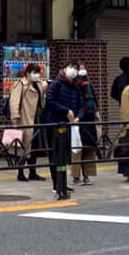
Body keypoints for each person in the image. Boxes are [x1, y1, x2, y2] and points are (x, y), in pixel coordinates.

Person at [44, 64, 82, 199]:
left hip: (68, 124)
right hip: (54, 123)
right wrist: (66, 111)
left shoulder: (76, 86)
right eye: (71, 67)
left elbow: (80, 104)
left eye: (75, 68)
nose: (73, 70)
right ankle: (56, 184)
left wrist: (78, 116)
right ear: (65, 69)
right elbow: (50, 101)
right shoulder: (56, 84)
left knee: (64, 154)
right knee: (55, 154)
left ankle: (62, 182)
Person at [6, 62, 47, 181]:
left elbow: (41, 100)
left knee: (33, 147)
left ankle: (33, 172)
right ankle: (20, 172)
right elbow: (14, 102)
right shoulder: (20, 84)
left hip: (36, 118)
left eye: (37, 73)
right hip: (24, 118)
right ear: (27, 73)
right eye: (33, 72)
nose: (36, 75)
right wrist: (15, 117)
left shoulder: (38, 84)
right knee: (23, 147)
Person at [72, 64, 100, 187]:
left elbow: (94, 99)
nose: (83, 70)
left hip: (89, 119)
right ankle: (76, 176)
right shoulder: (74, 85)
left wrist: (96, 112)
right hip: (79, 119)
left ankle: (87, 174)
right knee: (77, 149)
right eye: (81, 68)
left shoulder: (88, 83)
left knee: (89, 148)